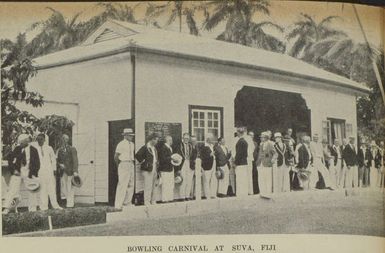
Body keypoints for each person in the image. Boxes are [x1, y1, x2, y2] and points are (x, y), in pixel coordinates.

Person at [3, 134, 40, 214]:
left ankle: (32, 209)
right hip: (18, 172)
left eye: (22, 143)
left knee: (32, 190)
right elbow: (10, 159)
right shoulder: (17, 149)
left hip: (29, 172)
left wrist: (33, 173)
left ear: (27, 141)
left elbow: (37, 164)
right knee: (12, 189)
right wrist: (14, 170)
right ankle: (7, 208)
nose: (20, 145)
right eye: (20, 143)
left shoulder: (34, 150)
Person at [35, 134, 62, 210]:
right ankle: (44, 207)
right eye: (38, 139)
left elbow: (53, 159)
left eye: (41, 139)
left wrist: (54, 169)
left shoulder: (49, 148)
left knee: (51, 188)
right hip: (40, 171)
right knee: (42, 189)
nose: (39, 141)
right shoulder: (35, 149)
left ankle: (55, 205)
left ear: (44, 140)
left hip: (49, 171)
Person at [110, 129, 135, 209]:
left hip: (131, 163)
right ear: (125, 135)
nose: (131, 137)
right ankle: (118, 205)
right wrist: (119, 165)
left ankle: (127, 203)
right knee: (122, 184)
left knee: (131, 184)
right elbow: (116, 156)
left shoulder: (132, 144)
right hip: (123, 163)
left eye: (132, 136)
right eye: (130, 135)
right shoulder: (121, 144)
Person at [135, 133, 159, 206]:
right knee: (148, 186)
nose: (156, 142)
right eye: (156, 140)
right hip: (147, 169)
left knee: (154, 185)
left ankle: (153, 201)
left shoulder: (154, 148)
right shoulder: (145, 147)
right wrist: (144, 162)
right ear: (152, 139)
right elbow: (137, 155)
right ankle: (147, 202)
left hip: (154, 168)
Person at [175, 133, 194, 201]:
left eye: (187, 139)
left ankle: (187, 196)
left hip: (189, 163)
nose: (186, 140)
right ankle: (182, 197)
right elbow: (177, 157)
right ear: (182, 138)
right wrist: (178, 169)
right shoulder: (179, 146)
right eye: (185, 138)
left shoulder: (191, 146)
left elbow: (193, 156)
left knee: (189, 180)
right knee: (183, 180)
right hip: (182, 164)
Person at [256, 131, 276, 196]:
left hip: (267, 163)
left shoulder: (270, 144)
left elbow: (275, 154)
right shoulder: (261, 144)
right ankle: (262, 192)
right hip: (260, 163)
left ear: (266, 138)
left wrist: (273, 159)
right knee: (261, 178)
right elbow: (259, 154)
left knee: (268, 178)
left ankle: (268, 192)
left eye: (262, 137)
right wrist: (257, 162)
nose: (261, 138)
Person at [158, 136, 175, 203]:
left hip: (170, 168)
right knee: (165, 184)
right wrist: (171, 158)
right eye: (171, 140)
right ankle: (165, 199)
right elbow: (162, 159)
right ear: (167, 140)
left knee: (170, 184)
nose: (172, 141)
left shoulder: (170, 148)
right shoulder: (163, 148)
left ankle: (170, 198)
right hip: (165, 169)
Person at [200, 134, 217, 199]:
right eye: (211, 139)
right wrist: (210, 155)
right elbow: (202, 157)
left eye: (212, 138)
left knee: (213, 179)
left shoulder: (212, 146)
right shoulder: (204, 146)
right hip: (207, 166)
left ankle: (213, 194)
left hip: (213, 164)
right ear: (207, 139)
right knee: (206, 180)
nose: (212, 140)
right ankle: (207, 195)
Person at [234, 127, 248, 197]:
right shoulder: (245, 141)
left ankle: (240, 193)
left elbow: (238, 154)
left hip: (240, 163)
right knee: (243, 178)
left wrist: (235, 163)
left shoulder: (240, 142)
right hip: (244, 162)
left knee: (239, 179)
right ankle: (244, 193)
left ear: (239, 133)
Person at [245, 131, 256, 195]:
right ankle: (247, 190)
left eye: (252, 135)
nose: (251, 136)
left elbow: (252, 150)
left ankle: (251, 191)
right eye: (250, 135)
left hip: (250, 160)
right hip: (246, 160)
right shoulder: (246, 141)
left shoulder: (251, 142)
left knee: (250, 175)